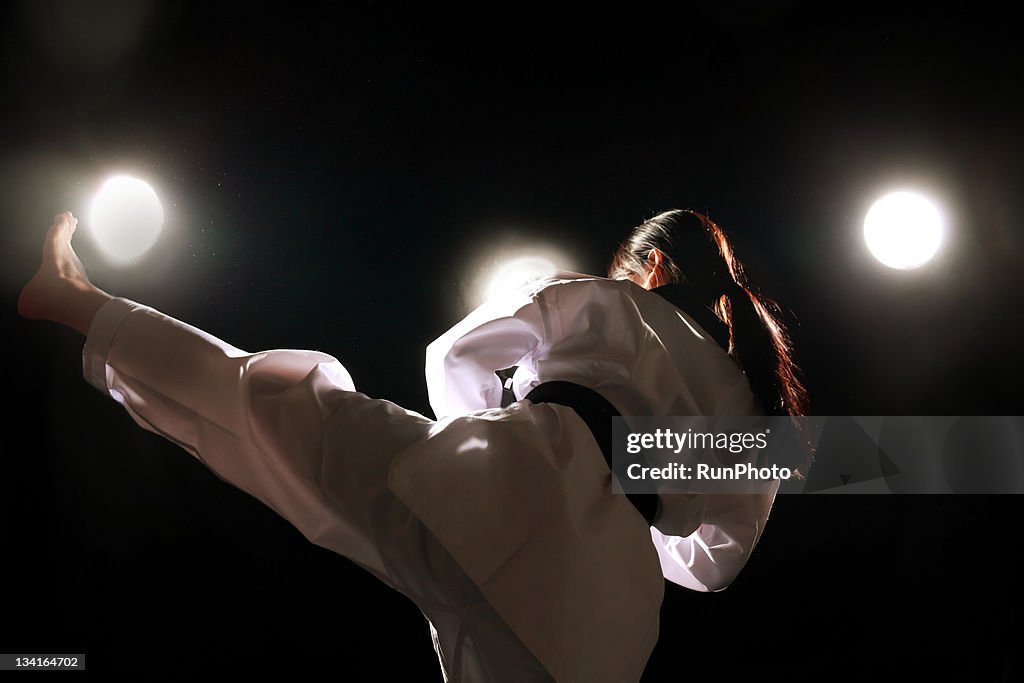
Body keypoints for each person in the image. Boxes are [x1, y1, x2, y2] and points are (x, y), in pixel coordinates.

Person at [19, 208, 808, 682]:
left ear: (655, 266)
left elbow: (452, 355)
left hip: (506, 488)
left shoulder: (612, 303)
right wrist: (618, 517)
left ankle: (78, 302)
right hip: (602, 625)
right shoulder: (753, 414)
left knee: (287, 410)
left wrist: (492, 446)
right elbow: (713, 562)